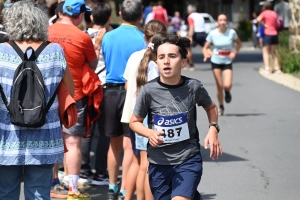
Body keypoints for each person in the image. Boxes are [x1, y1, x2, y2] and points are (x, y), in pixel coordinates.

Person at [129, 33, 222, 200]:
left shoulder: (193, 87)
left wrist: (213, 128)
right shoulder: (148, 90)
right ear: (156, 62)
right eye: (162, 57)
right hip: (159, 163)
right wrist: (149, 133)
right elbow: (134, 122)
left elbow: (211, 107)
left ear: (183, 62)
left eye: (172, 56)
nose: (166, 61)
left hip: (188, 159)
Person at [0, 1, 74, 200]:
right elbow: (70, 91)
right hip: (46, 137)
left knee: (5, 193)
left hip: (6, 138)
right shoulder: (55, 51)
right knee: (40, 193)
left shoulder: (0, 52)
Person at [48, 0, 100, 198]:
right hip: (74, 95)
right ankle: (73, 189)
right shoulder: (83, 37)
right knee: (73, 143)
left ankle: (52, 184)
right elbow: (93, 65)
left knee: (52, 140)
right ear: (78, 15)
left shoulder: (46, 31)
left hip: (48, 94)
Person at [101, 0, 145, 199]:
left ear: (120, 13)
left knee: (113, 143)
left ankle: (112, 186)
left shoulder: (108, 36)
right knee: (129, 146)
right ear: (141, 15)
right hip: (132, 93)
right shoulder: (143, 38)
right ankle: (126, 189)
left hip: (110, 92)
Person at [122, 20, 167, 200]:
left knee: (141, 164)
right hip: (151, 118)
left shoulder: (136, 57)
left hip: (136, 115)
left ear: (145, 36)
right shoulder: (157, 63)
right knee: (150, 167)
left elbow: (126, 85)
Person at [81, 2, 113, 186]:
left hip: (87, 87)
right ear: (109, 18)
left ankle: (84, 170)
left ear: (91, 17)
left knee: (87, 130)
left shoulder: (83, 36)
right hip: (107, 86)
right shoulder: (112, 37)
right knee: (105, 132)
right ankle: (101, 172)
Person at [202, 14, 242, 116]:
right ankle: (221, 106)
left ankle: (227, 92)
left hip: (227, 61)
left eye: (224, 20)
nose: (223, 22)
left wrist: (235, 52)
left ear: (227, 21)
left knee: (227, 85)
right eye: (220, 20)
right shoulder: (213, 33)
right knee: (219, 86)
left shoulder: (232, 32)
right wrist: (207, 54)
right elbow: (205, 47)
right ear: (217, 22)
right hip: (216, 61)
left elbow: (239, 44)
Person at [257, 1, 282, 74]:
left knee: (265, 51)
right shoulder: (274, 13)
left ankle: (267, 68)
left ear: (264, 7)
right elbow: (279, 21)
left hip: (267, 33)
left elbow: (258, 19)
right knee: (273, 51)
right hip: (275, 33)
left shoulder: (264, 13)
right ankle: (277, 68)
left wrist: (263, 24)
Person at [185, 4, 207, 71]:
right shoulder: (200, 15)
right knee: (206, 48)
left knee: (187, 49)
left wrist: (190, 36)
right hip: (203, 33)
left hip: (195, 34)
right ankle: (217, 60)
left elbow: (192, 26)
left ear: (189, 10)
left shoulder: (190, 17)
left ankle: (191, 65)